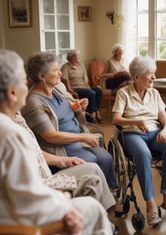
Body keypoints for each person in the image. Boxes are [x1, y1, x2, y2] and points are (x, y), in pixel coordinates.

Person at [0, 49, 122, 235]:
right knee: (87, 209)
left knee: (90, 205)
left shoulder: (11, 122)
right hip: (16, 228)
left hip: (19, 208)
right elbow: (27, 200)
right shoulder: (8, 134)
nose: (28, 86)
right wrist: (61, 205)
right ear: (12, 92)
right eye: (24, 82)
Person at [112, 56, 166, 226]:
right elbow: (116, 119)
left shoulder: (154, 93)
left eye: (154, 74)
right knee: (143, 154)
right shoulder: (123, 93)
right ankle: (150, 204)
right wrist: (134, 122)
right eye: (150, 74)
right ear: (137, 77)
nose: (154, 77)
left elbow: (165, 117)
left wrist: (165, 129)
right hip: (132, 134)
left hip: (156, 132)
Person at [21, 52, 118, 191]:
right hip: (61, 147)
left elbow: (71, 106)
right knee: (92, 162)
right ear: (41, 76)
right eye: (55, 70)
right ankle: (95, 199)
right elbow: (50, 135)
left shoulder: (56, 90)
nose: (60, 73)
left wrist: (78, 107)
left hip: (77, 138)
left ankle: (107, 197)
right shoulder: (34, 103)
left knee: (106, 158)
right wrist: (83, 137)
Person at [13, 111, 116, 214]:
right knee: (93, 181)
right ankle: (105, 218)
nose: (26, 94)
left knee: (93, 168)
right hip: (39, 186)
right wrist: (62, 193)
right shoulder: (8, 130)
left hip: (46, 176)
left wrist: (61, 160)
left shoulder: (17, 116)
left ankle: (107, 215)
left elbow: (35, 152)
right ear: (12, 94)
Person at [61, 49, 103, 123]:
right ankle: (91, 116)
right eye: (78, 56)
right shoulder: (65, 67)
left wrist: (89, 87)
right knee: (91, 93)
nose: (79, 58)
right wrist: (70, 91)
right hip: (75, 88)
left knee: (98, 90)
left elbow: (85, 78)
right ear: (72, 57)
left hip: (84, 87)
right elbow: (65, 80)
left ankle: (96, 111)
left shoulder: (81, 64)